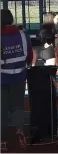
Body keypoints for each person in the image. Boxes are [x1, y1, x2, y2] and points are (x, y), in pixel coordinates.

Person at [1, 9, 33, 151]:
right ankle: (20, 131)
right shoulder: (22, 35)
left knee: (2, 109)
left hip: (2, 78)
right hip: (19, 77)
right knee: (18, 106)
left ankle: (2, 141)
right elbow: (30, 55)